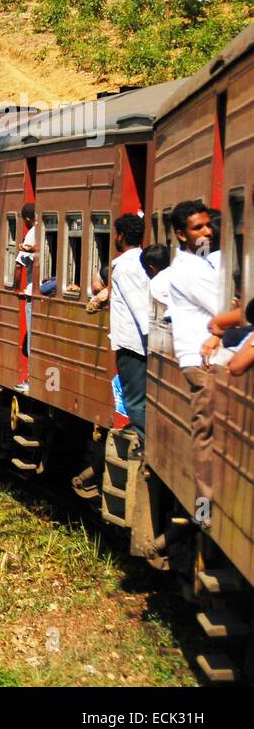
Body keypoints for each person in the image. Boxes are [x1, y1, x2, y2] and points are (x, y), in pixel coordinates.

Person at [168, 200, 222, 526]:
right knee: (205, 434)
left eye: (207, 225)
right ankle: (205, 511)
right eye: (197, 228)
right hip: (201, 362)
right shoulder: (189, 270)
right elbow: (225, 307)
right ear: (180, 234)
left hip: (204, 358)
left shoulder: (200, 265)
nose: (206, 231)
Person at [104, 214, 150, 447]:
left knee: (134, 402)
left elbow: (140, 308)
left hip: (133, 344)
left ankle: (148, 446)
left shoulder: (124, 268)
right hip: (138, 343)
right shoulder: (140, 261)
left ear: (120, 236)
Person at [14, 202, 38, 393]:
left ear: (28, 219)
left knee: (31, 337)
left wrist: (16, 287)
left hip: (31, 293)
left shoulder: (31, 234)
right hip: (41, 292)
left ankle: (31, 379)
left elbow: (19, 263)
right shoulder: (45, 228)